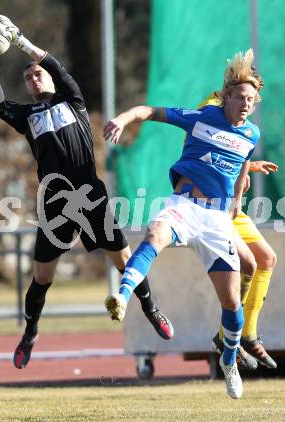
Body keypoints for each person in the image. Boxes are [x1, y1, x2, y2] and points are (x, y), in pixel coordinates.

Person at [0, 15, 174, 370]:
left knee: (124, 262)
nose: (33, 79)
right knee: (42, 277)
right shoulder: (28, 115)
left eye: (37, 74)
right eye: (27, 77)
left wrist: (20, 40)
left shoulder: (72, 99)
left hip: (90, 194)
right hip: (55, 203)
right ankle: (30, 333)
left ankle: (151, 309)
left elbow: (53, 64)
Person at [104, 49, 263, 399]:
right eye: (240, 98)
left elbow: (240, 167)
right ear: (226, 96)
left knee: (232, 303)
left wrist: (236, 203)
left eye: (251, 99)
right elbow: (150, 111)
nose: (246, 104)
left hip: (217, 220)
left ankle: (228, 361)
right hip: (184, 205)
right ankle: (122, 296)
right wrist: (122, 119)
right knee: (153, 234)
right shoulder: (202, 116)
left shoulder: (251, 135)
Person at [197, 90, 279, 370]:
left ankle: (248, 334)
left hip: (232, 206)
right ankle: (226, 338)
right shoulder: (211, 108)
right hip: (210, 205)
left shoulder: (243, 117)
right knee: (249, 263)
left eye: (254, 95)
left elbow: (236, 151)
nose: (249, 102)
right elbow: (201, 152)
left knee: (267, 259)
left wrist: (248, 168)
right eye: (245, 93)